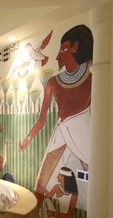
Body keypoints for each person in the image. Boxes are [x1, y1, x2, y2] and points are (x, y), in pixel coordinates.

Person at [19, 24, 93, 198]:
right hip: (61, 127)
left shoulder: (91, 78)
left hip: (83, 127)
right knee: (40, 183)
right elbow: (42, 120)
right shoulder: (53, 82)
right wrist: (28, 139)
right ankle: (34, 212)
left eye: (64, 48)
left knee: (94, 174)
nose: (58, 55)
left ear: (75, 47)